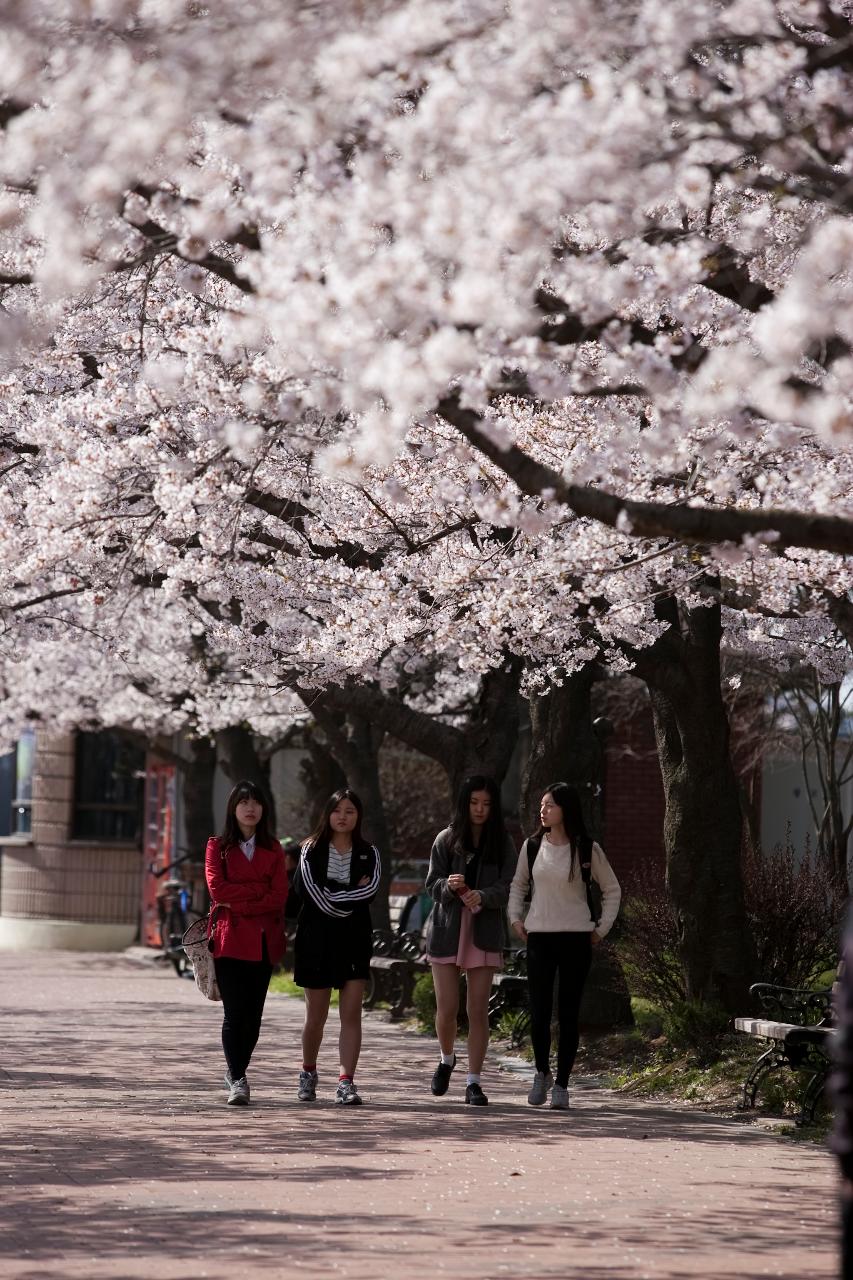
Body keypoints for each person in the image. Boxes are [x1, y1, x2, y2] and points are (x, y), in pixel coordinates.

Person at [508, 781, 620, 1110]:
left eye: (549, 805)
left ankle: (562, 1084)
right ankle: (541, 1072)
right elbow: (518, 886)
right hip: (539, 937)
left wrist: (601, 930)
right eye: (541, 806)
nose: (542, 811)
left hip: (576, 939)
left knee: (569, 1014)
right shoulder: (532, 847)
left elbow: (612, 890)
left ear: (565, 810)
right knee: (540, 1012)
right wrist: (516, 920)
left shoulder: (587, 848)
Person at [425, 775, 517, 1106]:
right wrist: (448, 887)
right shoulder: (446, 839)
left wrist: (484, 895)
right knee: (447, 1009)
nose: (480, 809)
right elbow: (431, 883)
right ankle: (447, 1058)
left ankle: (474, 1082)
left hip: (484, 930)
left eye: (487, 804)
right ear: (464, 804)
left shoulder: (503, 842)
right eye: (474, 803)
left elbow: (510, 886)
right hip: (447, 929)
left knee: (477, 1009)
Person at [291, 788, 381, 1105]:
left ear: (358, 817)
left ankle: (346, 1082)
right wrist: (344, 899)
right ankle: (308, 1071)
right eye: (337, 810)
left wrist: (333, 897)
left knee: (351, 1014)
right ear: (327, 814)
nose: (343, 816)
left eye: (350, 811)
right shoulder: (310, 850)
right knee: (316, 1017)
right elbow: (312, 895)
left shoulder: (369, 853)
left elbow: (368, 890)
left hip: (354, 939)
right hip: (316, 939)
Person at [205, 780, 287, 1107]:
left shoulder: (274, 848)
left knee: (253, 1016)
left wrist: (248, 899)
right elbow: (218, 891)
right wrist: (258, 894)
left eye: (255, 802)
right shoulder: (218, 846)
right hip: (229, 938)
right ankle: (237, 1077)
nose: (250, 808)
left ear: (263, 809)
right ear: (233, 808)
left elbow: (279, 895)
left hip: (264, 941)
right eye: (243, 802)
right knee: (234, 1013)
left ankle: (238, 1072)